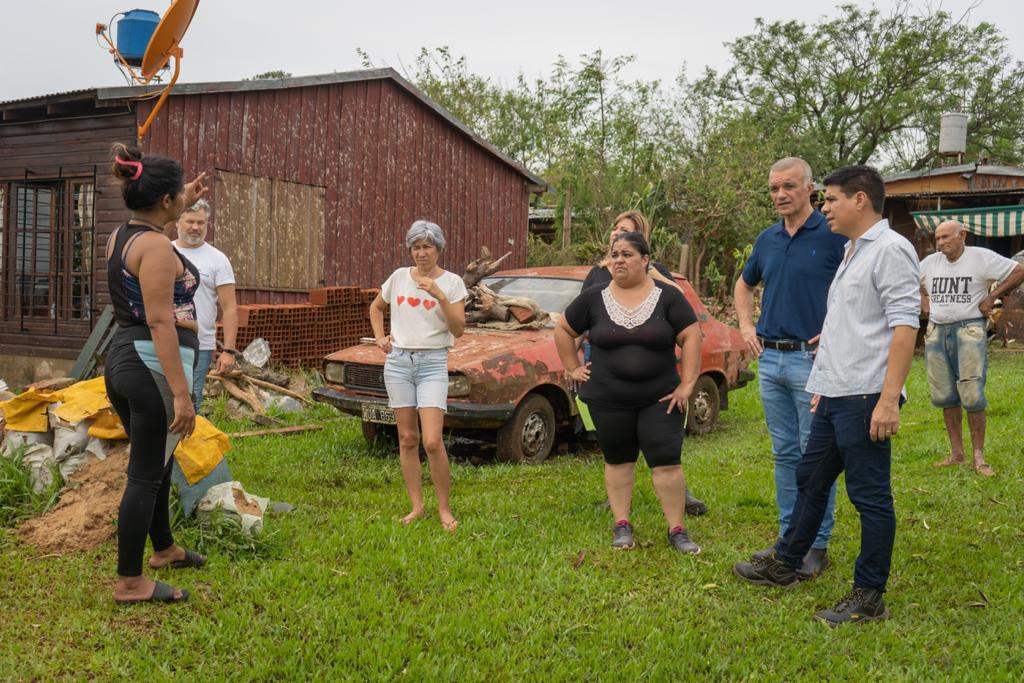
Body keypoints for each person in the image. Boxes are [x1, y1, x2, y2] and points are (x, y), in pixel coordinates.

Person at [733, 165, 920, 627]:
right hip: (835, 391)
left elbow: (904, 326)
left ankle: (870, 595)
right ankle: (787, 562)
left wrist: (888, 398)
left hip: (865, 395)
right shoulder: (854, 250)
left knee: (870, 497)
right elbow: (847, 323)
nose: (825, 207)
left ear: (859, 199)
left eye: (831, 199)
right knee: (811, 479)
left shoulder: (891, 250)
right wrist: (824, 382)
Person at [104, 143, 210, 604]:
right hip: (151, 366)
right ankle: (129, 581)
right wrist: (181, 394)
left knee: (158, 464)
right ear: (165, 203)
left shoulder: (122, 236)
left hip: (123, 360)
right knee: (145, 475)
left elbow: (154, 216)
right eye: (178, 198)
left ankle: (164, 548)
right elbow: (161, 320)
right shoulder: (158, 249)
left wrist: (177, 193)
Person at [733, 157, 847, 578]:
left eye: (788, 187)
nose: (780, 195)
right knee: (784, 453)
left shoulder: (835, 235)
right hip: (771, 359)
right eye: (773, 189)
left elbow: (856, 294)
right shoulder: (767, 239)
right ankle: (789, 538)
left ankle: (816, 544)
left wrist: (836, 335)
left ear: (810, 189)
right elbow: (744, 285)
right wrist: (746, 325)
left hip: (813, 361)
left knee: (814, 456)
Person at [555, 232, 704, 554]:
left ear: (645, 260)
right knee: (618, 459)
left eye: (627, 254)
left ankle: (677, 529)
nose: (619, 260)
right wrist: (572, 367)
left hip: (661, 398)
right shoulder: (594, 297)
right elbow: (564, 329)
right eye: (615, 254)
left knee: (666, 462)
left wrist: (688, 383)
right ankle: (622, 524)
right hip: (608, 398)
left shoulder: (668, 297)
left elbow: (692, 335)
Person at [582, 210, 709, 517]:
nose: (616, 233)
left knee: (659, 436)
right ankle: (616, 496)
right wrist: (574, 362)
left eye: (624, 231)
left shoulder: (653, 272)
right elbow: (578, 318)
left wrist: (652, 271)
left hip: (653, 366)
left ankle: (680, 493)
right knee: (615, 435)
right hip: (601, 361)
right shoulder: (597, 273)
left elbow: (680, 302)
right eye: (614, 229)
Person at [369, 220, 467, 531]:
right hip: (398, 362)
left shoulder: (452, 283)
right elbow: (376, 307)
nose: (421, 253)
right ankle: (417, 506)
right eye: (416, 247)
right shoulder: (398, 277)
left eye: (427, 247)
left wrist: (439, 295)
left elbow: (459, 329)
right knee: (407, 438)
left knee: (433, 440)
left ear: (439, 249)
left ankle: (444, 509)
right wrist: (380, 337)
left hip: (432, 363)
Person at [920, 220, 1024, 476]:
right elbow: (907, 281)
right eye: (938, 238)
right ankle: (957, 453)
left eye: (946, 237)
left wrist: (992, 296)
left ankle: (979, 456)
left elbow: (1019, 270)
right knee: (944, 395)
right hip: (936, 331)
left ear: (962, 235)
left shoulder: (981, 257)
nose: (941, 242)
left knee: (972, 394)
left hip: (969, 329)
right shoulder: (929, 263)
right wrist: (922, 299)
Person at [173, 198, 238, 413]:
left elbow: (229, 308)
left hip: (200, 344)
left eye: (201, 223)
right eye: (190, 221)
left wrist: (228, 351)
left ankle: (188, 445)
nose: (195, 227)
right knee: (160, 398)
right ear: (177, 222)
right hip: (163, 339)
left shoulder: (217, 259)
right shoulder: (164, 251)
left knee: (192, 401)